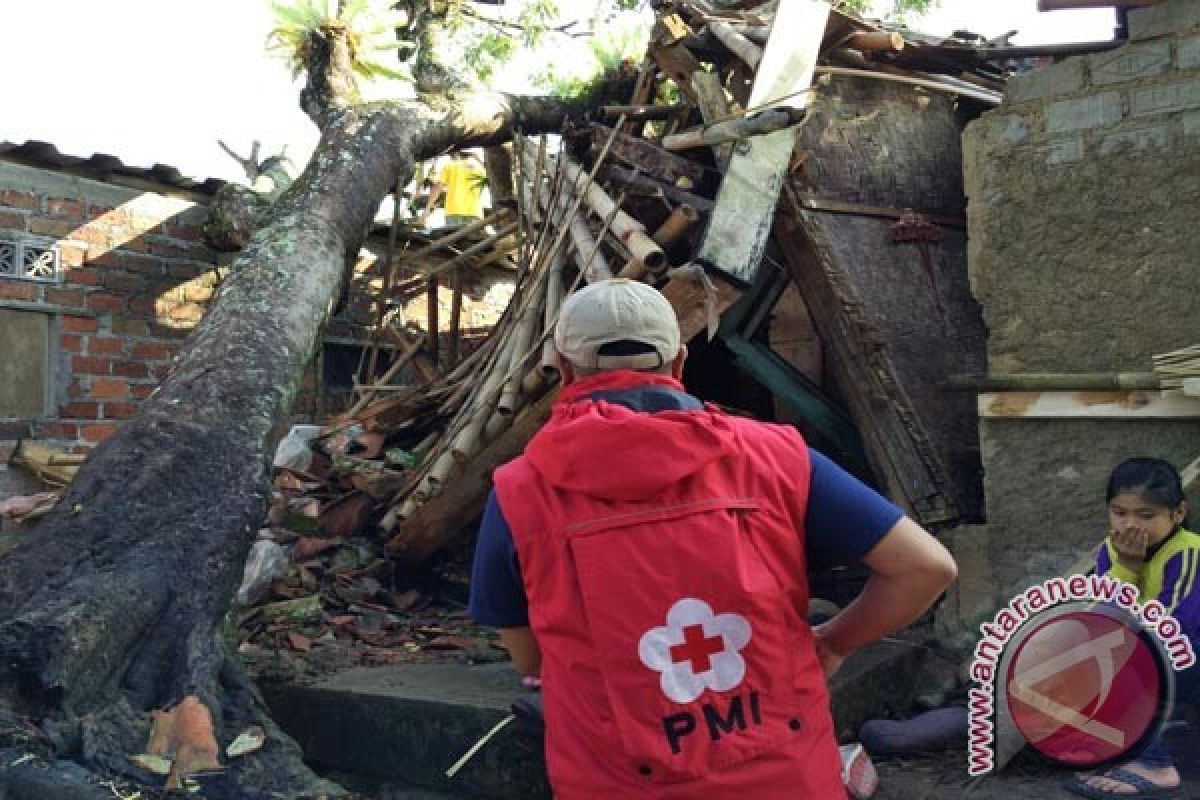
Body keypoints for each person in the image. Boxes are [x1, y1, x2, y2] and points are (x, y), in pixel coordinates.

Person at [468, 278, 958, 799]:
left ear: (564, 370)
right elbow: (926, 567)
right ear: (679, 362)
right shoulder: (778, 456)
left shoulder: (519, 490)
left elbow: (530, 660)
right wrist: (834, 642)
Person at [1068, 458, 1198, 799]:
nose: (1130, 525)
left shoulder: (1187, 553)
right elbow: (1100, 614)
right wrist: (1125, 567)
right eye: (1119, 512)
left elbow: (1175, 628)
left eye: (1146, 515)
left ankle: (1156, 765)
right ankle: (1120, 753)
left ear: (1178, 513)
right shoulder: (1113, 550)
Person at [425, 151, 486, 227]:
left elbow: (438, 187)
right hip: (476, 212)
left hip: (454, 211)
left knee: (456, 237)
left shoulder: (449, 166)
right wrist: (477, 158)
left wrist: (427, 208)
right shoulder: (480, 169)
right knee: (476, 238)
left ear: (456, 153)